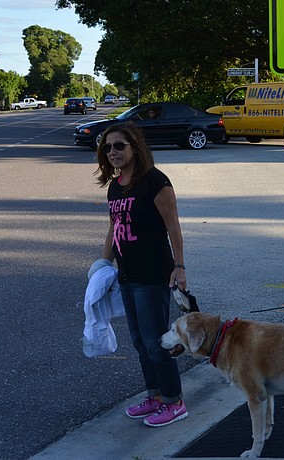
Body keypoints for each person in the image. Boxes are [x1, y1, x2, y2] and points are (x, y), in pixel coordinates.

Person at [95, 121, 188, 427]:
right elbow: (114, 227)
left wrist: (179, 267)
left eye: (119, 145)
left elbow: (173, 225)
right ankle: (156, 396)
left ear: (135, 146)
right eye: (108, 147)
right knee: (138, 342)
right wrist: (103, 265)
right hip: (127, 274)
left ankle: (174, 401)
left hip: (152, 273)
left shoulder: (155, 181)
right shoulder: (116, 184)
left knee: (155, 342)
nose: (112, 152)